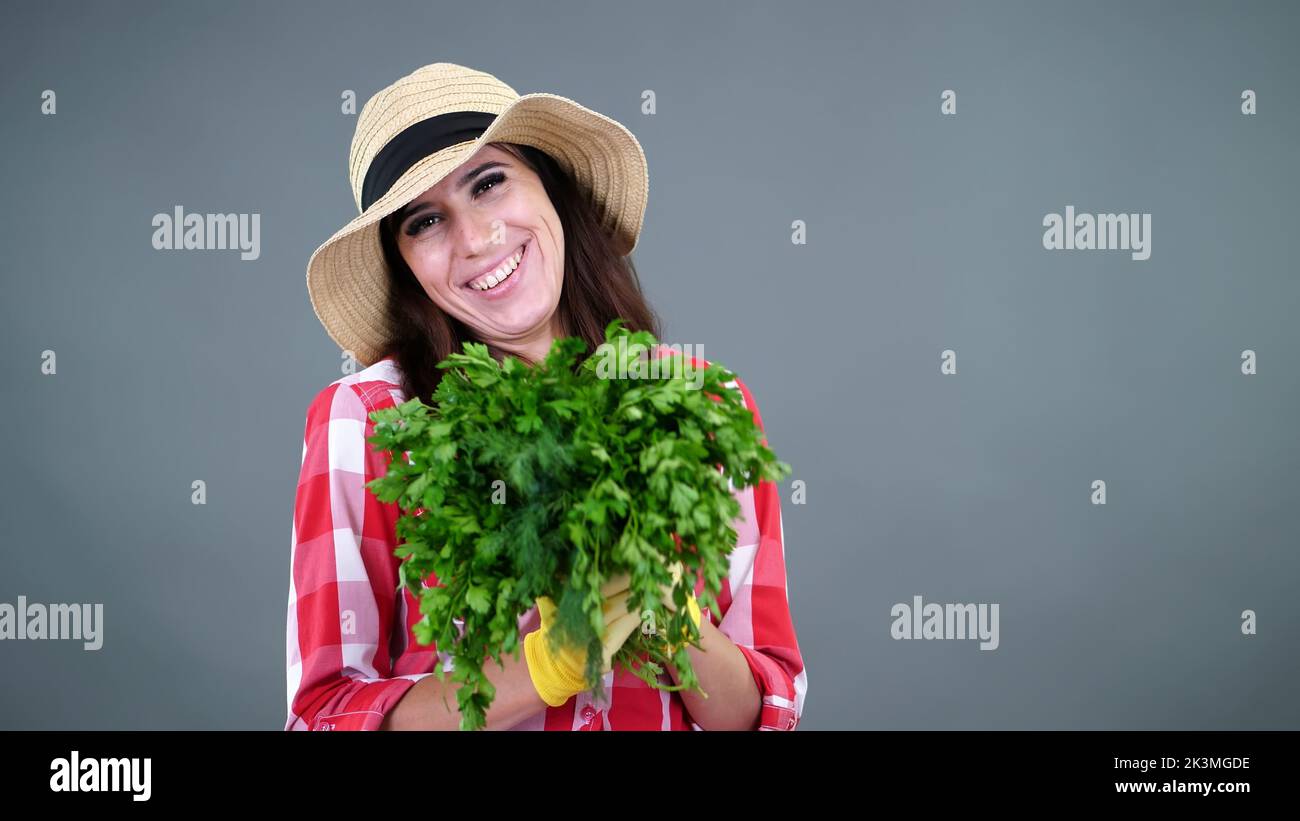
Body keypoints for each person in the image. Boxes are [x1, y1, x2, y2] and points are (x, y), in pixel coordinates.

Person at [286, 62, 806, 730]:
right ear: (405, 264)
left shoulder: (702, 406)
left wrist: (674, 621)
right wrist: (539, 670)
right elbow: (326, 717)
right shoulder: (368, 423)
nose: (476, 238)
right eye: (425, 221)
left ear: (550, 187)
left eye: (489, 182)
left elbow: (762, 711)